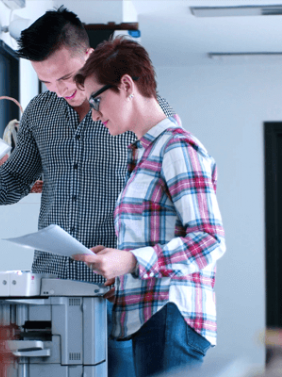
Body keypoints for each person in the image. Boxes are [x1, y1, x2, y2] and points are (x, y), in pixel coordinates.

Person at [0, 7, 175, 377]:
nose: (61, 89)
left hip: (120, 290)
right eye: (47, 82)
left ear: (89, 54)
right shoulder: (40, 112)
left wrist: (135, 262)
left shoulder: (143, 109)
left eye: (67, 77)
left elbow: (172, 204)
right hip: (51, 286)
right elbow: (15, 181)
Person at [71, 37, 226, 377]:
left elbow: (210, 241)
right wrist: (117, 262)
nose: (95, 115)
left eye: (97, 101)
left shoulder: (177, 148)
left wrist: (128, 260)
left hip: (170, 316)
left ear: (126, 85)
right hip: (150, 318)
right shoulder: (144, 155)